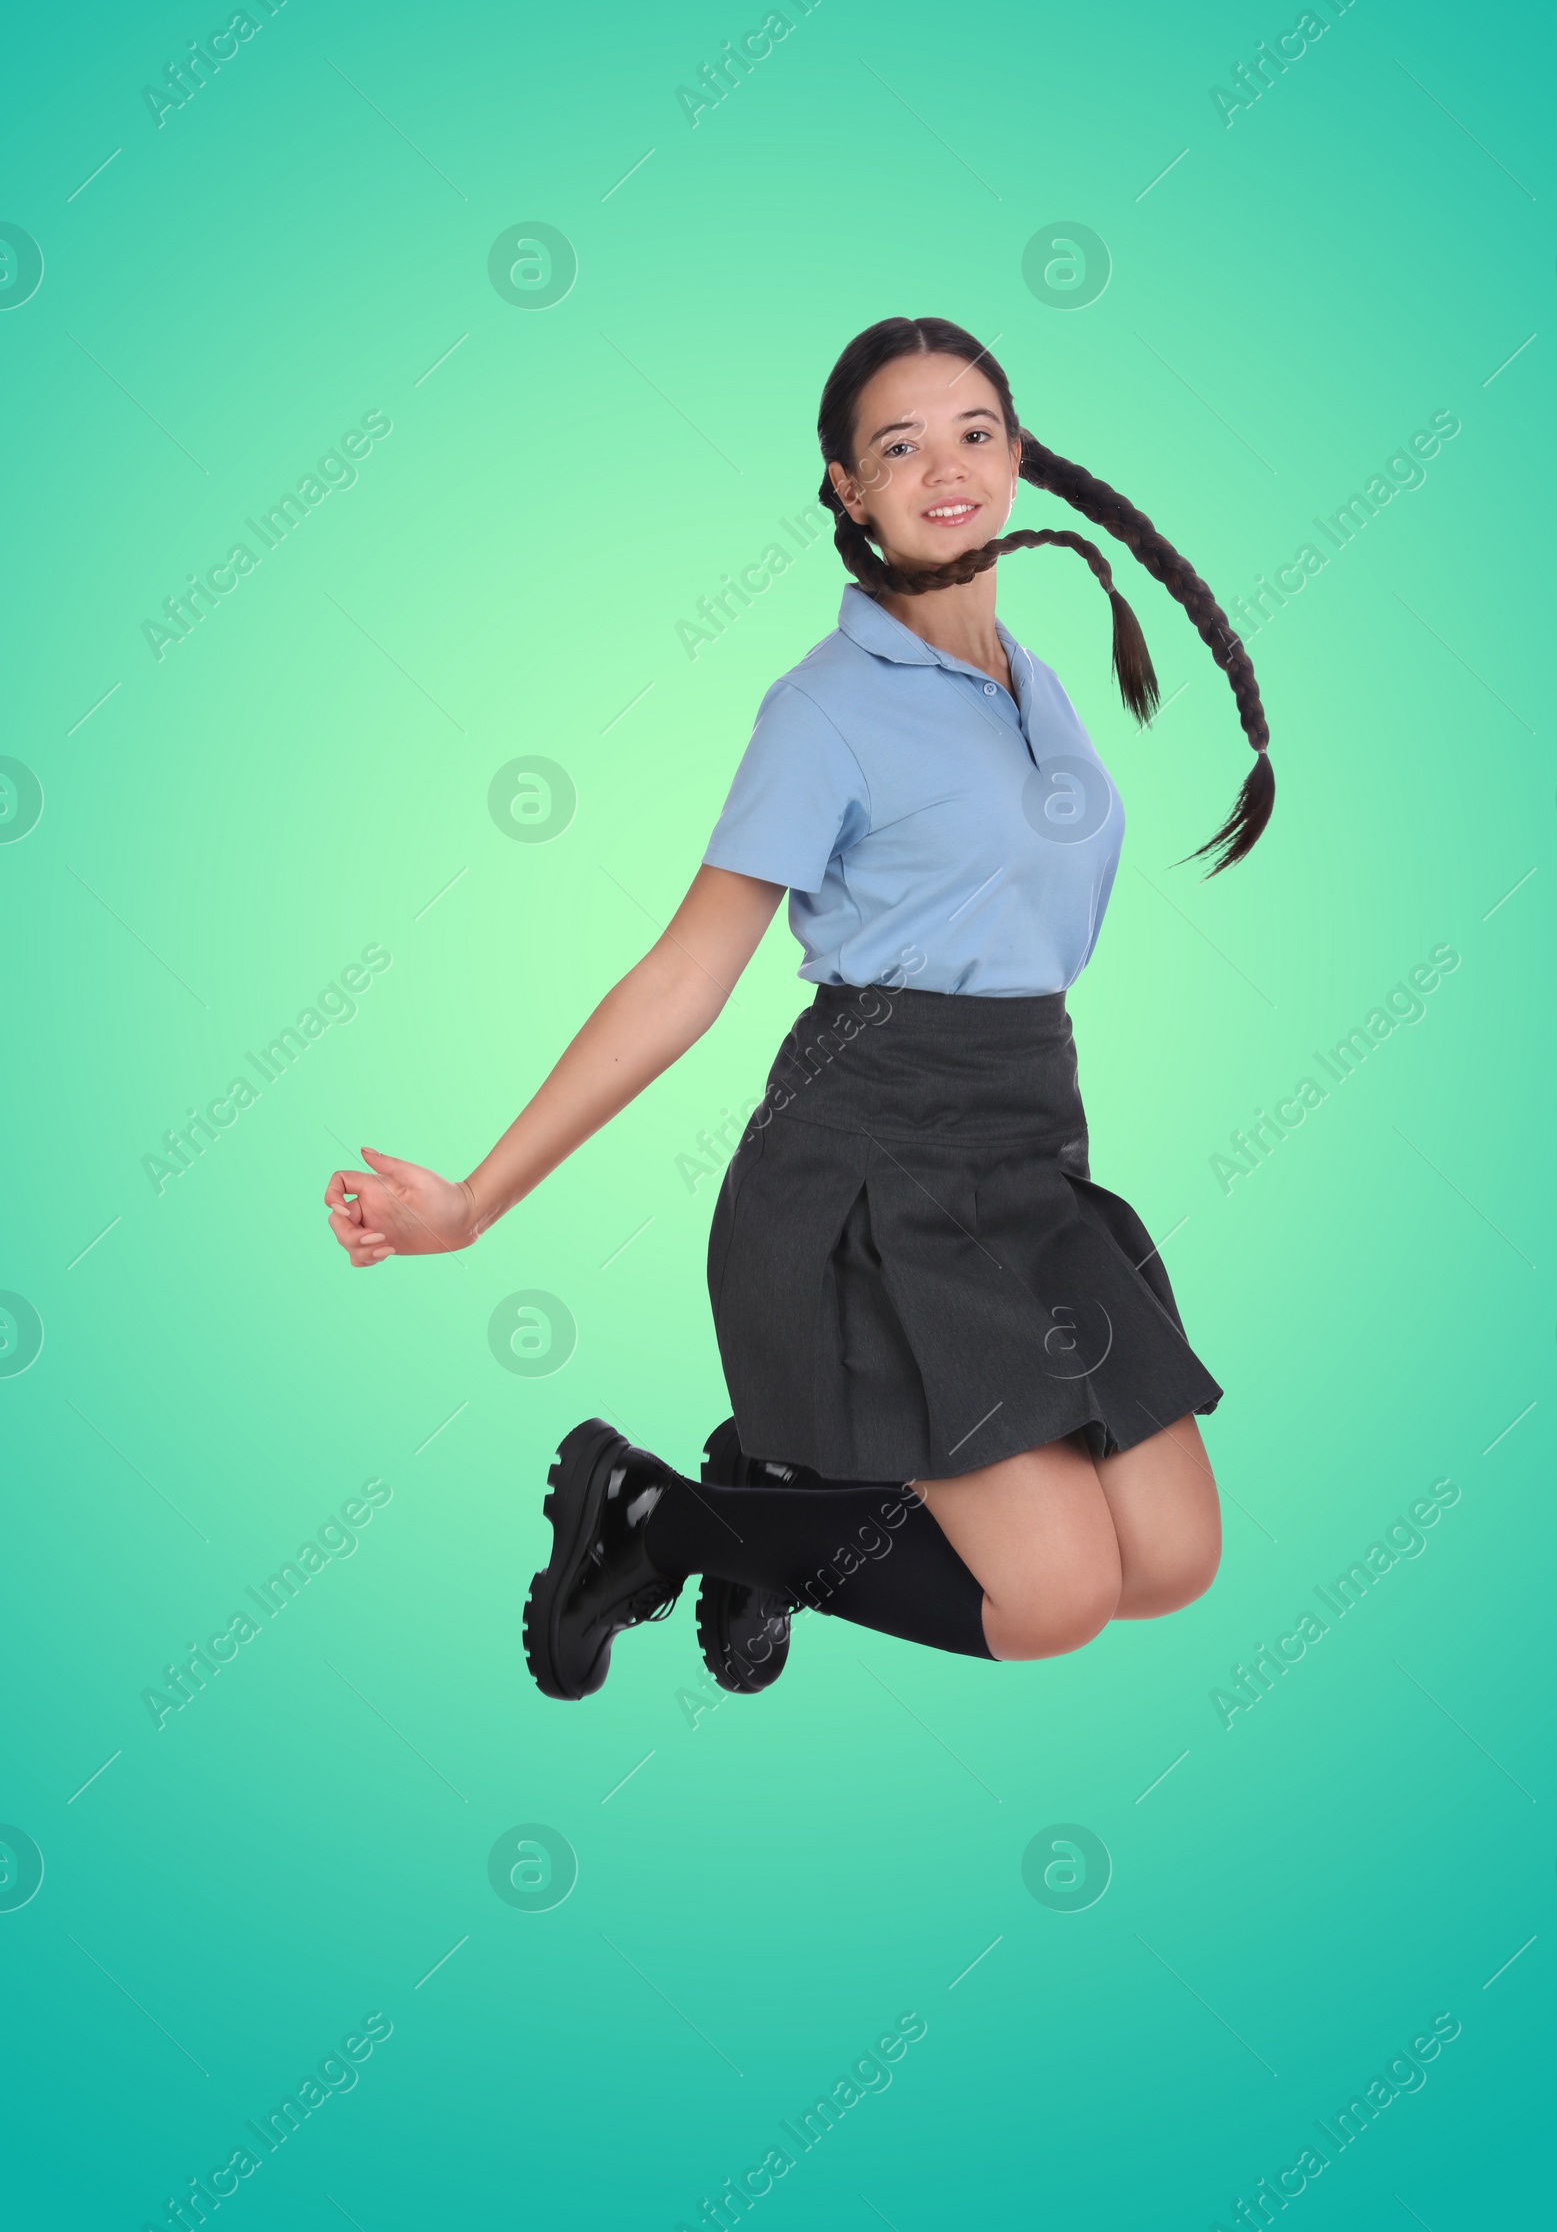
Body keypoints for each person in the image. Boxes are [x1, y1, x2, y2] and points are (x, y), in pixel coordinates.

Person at [323, 315, 1273, 1705]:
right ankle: (667, 1518)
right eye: (900, 446)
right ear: (847, 485)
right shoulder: (822, 710)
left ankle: (771, 1489)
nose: (945, 468)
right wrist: (471, 1203)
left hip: (1028, 1157)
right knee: (1057, 1600)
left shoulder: (1037, 682)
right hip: (873, 1170)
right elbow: (682, 976)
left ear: (1018, 456)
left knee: (1174, 1559)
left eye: (975, 433)